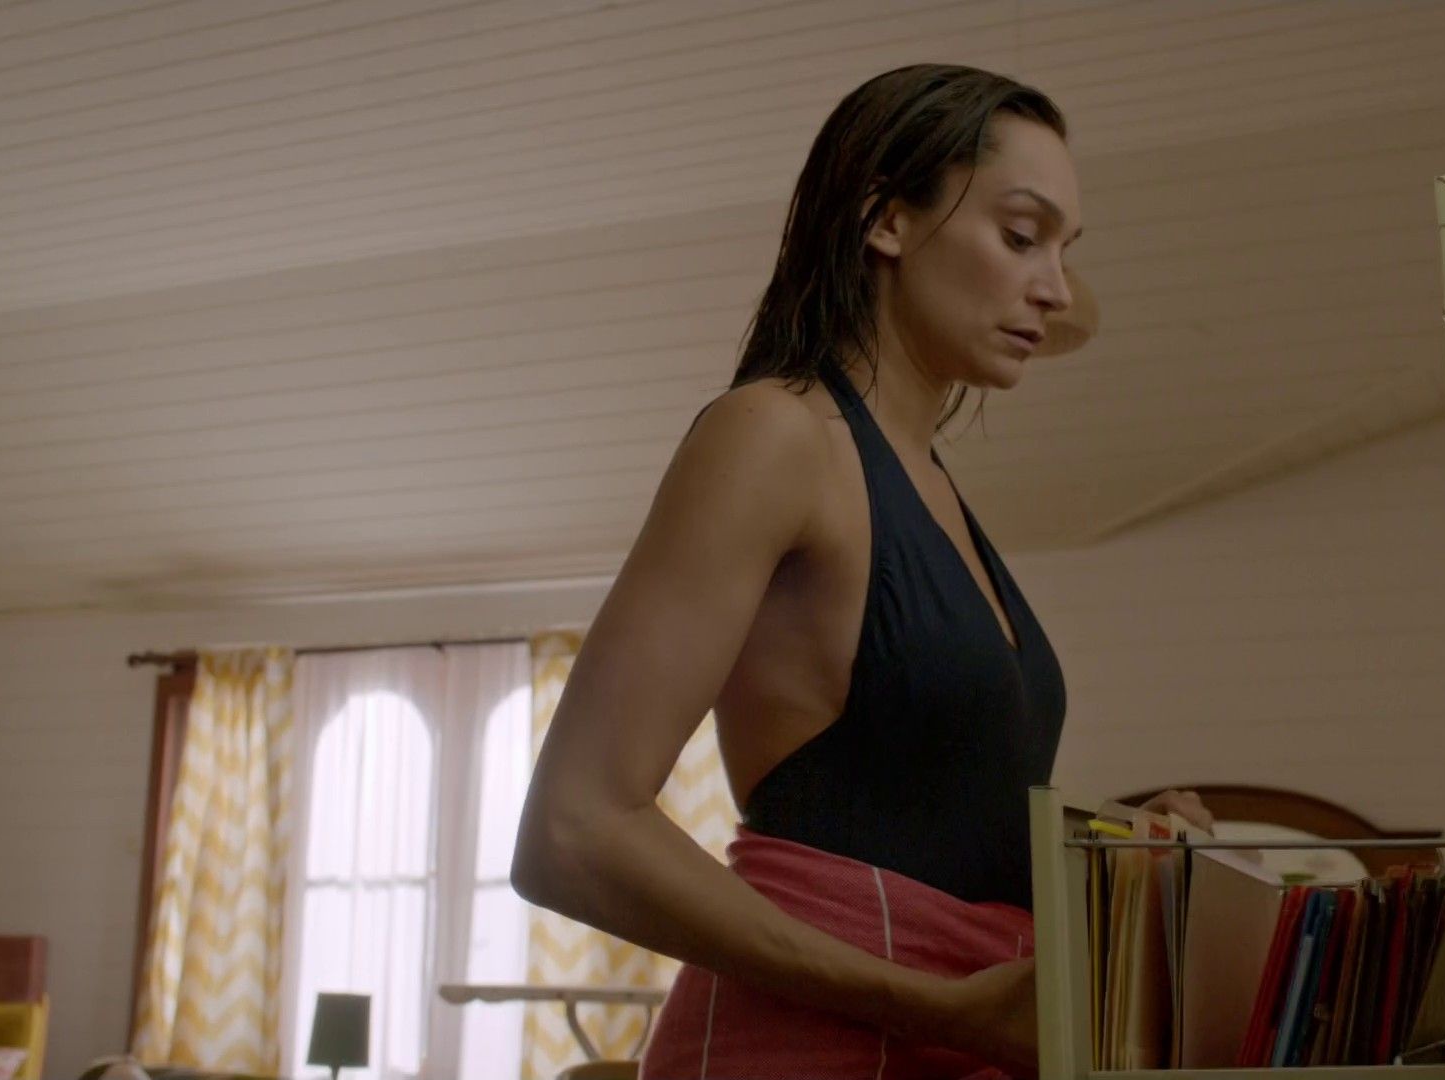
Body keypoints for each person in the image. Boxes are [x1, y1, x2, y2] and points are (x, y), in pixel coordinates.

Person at [511, 63, 1213, 1079]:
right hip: (824, 1045)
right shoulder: (775, 435)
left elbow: (921, 808)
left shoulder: (930, 484)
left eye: (1066, 251)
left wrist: (1112, 850)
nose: (1057, 290)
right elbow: (572, 831)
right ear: (886, 219)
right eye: (1022, 236)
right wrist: (939, 1007)